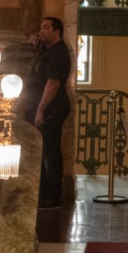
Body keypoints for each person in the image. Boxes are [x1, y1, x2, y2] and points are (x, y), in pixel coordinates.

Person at [25, 16, 72, 209]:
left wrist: (40, 111)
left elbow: (52, 84)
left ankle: (52, 197)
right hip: (42, 107)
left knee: (49, 153)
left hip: (51, 109)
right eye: (40, 28)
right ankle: (43, 194)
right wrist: (35, 39)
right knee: (41, 151)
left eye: (45, 28)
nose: (41, 31)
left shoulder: (59, 53)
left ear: (56, 32)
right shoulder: (48, 50)